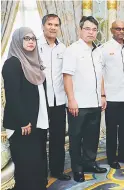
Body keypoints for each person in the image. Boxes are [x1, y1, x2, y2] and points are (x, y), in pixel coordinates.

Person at [2, 27, 48, 190]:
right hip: (23, 125)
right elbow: (13, 97)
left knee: (38, 162)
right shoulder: (12, 64)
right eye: (26, 38)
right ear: (17, 41)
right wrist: (23, 121)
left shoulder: (36, 64)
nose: (30, 41)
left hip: (38, 122)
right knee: (26, 166)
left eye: (33, 39)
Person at [62, 16, 107, 182]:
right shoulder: (72, 50)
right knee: (76, 137)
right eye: (87, 29)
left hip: (95, 103)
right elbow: (67, 76)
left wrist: (102, 95)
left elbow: (100, 75)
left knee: (92, 136)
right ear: (80, 30)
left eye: (94, 29)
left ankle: (89, 163)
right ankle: (78, 169)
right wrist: (71, 99)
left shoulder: (98, 50)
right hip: (78, 104)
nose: (91, 32)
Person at [38, 14, 70, 181]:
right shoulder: (34, 45)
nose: (52, 27)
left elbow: (67, 74)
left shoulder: (63, 48)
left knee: (58, 138)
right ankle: (41, 172)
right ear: (43, 26)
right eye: (49, 24)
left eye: (56, 25)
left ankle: (57, 170)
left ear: (59, 28)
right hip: (40, 102)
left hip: (59, 100)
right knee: (40, 139)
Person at [101, 20, 124, 169]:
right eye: (117, 29)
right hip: (112, 97)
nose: (121, 31)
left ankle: (123, 155)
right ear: (111, 30)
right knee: (112, 131)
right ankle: (112, 158)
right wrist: (102, 94)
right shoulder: (104, 48)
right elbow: (100, 73)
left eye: (123, 28)